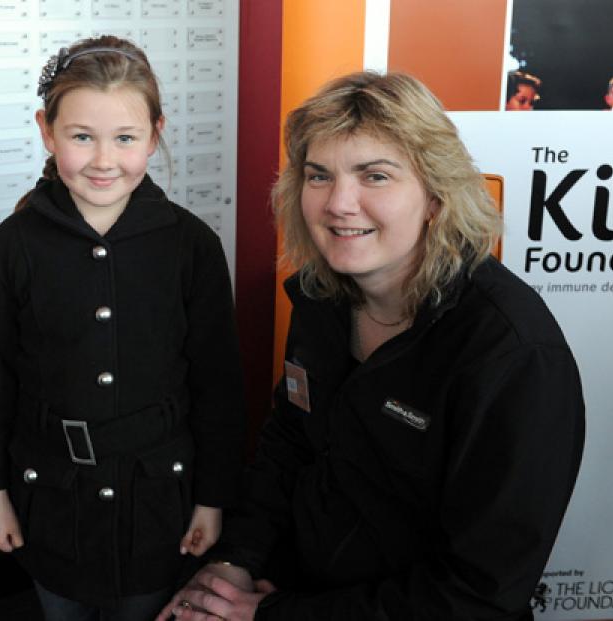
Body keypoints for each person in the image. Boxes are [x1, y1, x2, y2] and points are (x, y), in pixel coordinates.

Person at [160, 71, 585, 620]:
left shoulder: (515, 356)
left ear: (436, 196)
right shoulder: (322, 298)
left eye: (375, 176)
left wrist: (269, 615)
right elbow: (290, 442)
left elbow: (477, 594)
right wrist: (234, 563)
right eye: (319, 176)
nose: (339, 203)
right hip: (292, 588)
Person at [0, 35, 245, 621]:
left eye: (125, 138)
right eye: (81, 136)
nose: (103, 160)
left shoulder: (192, 247)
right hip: (50, 498)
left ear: (155, 133)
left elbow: (218, 386)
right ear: (47, 131)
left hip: (159, 499)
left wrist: (212, 498)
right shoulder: (11, 248)